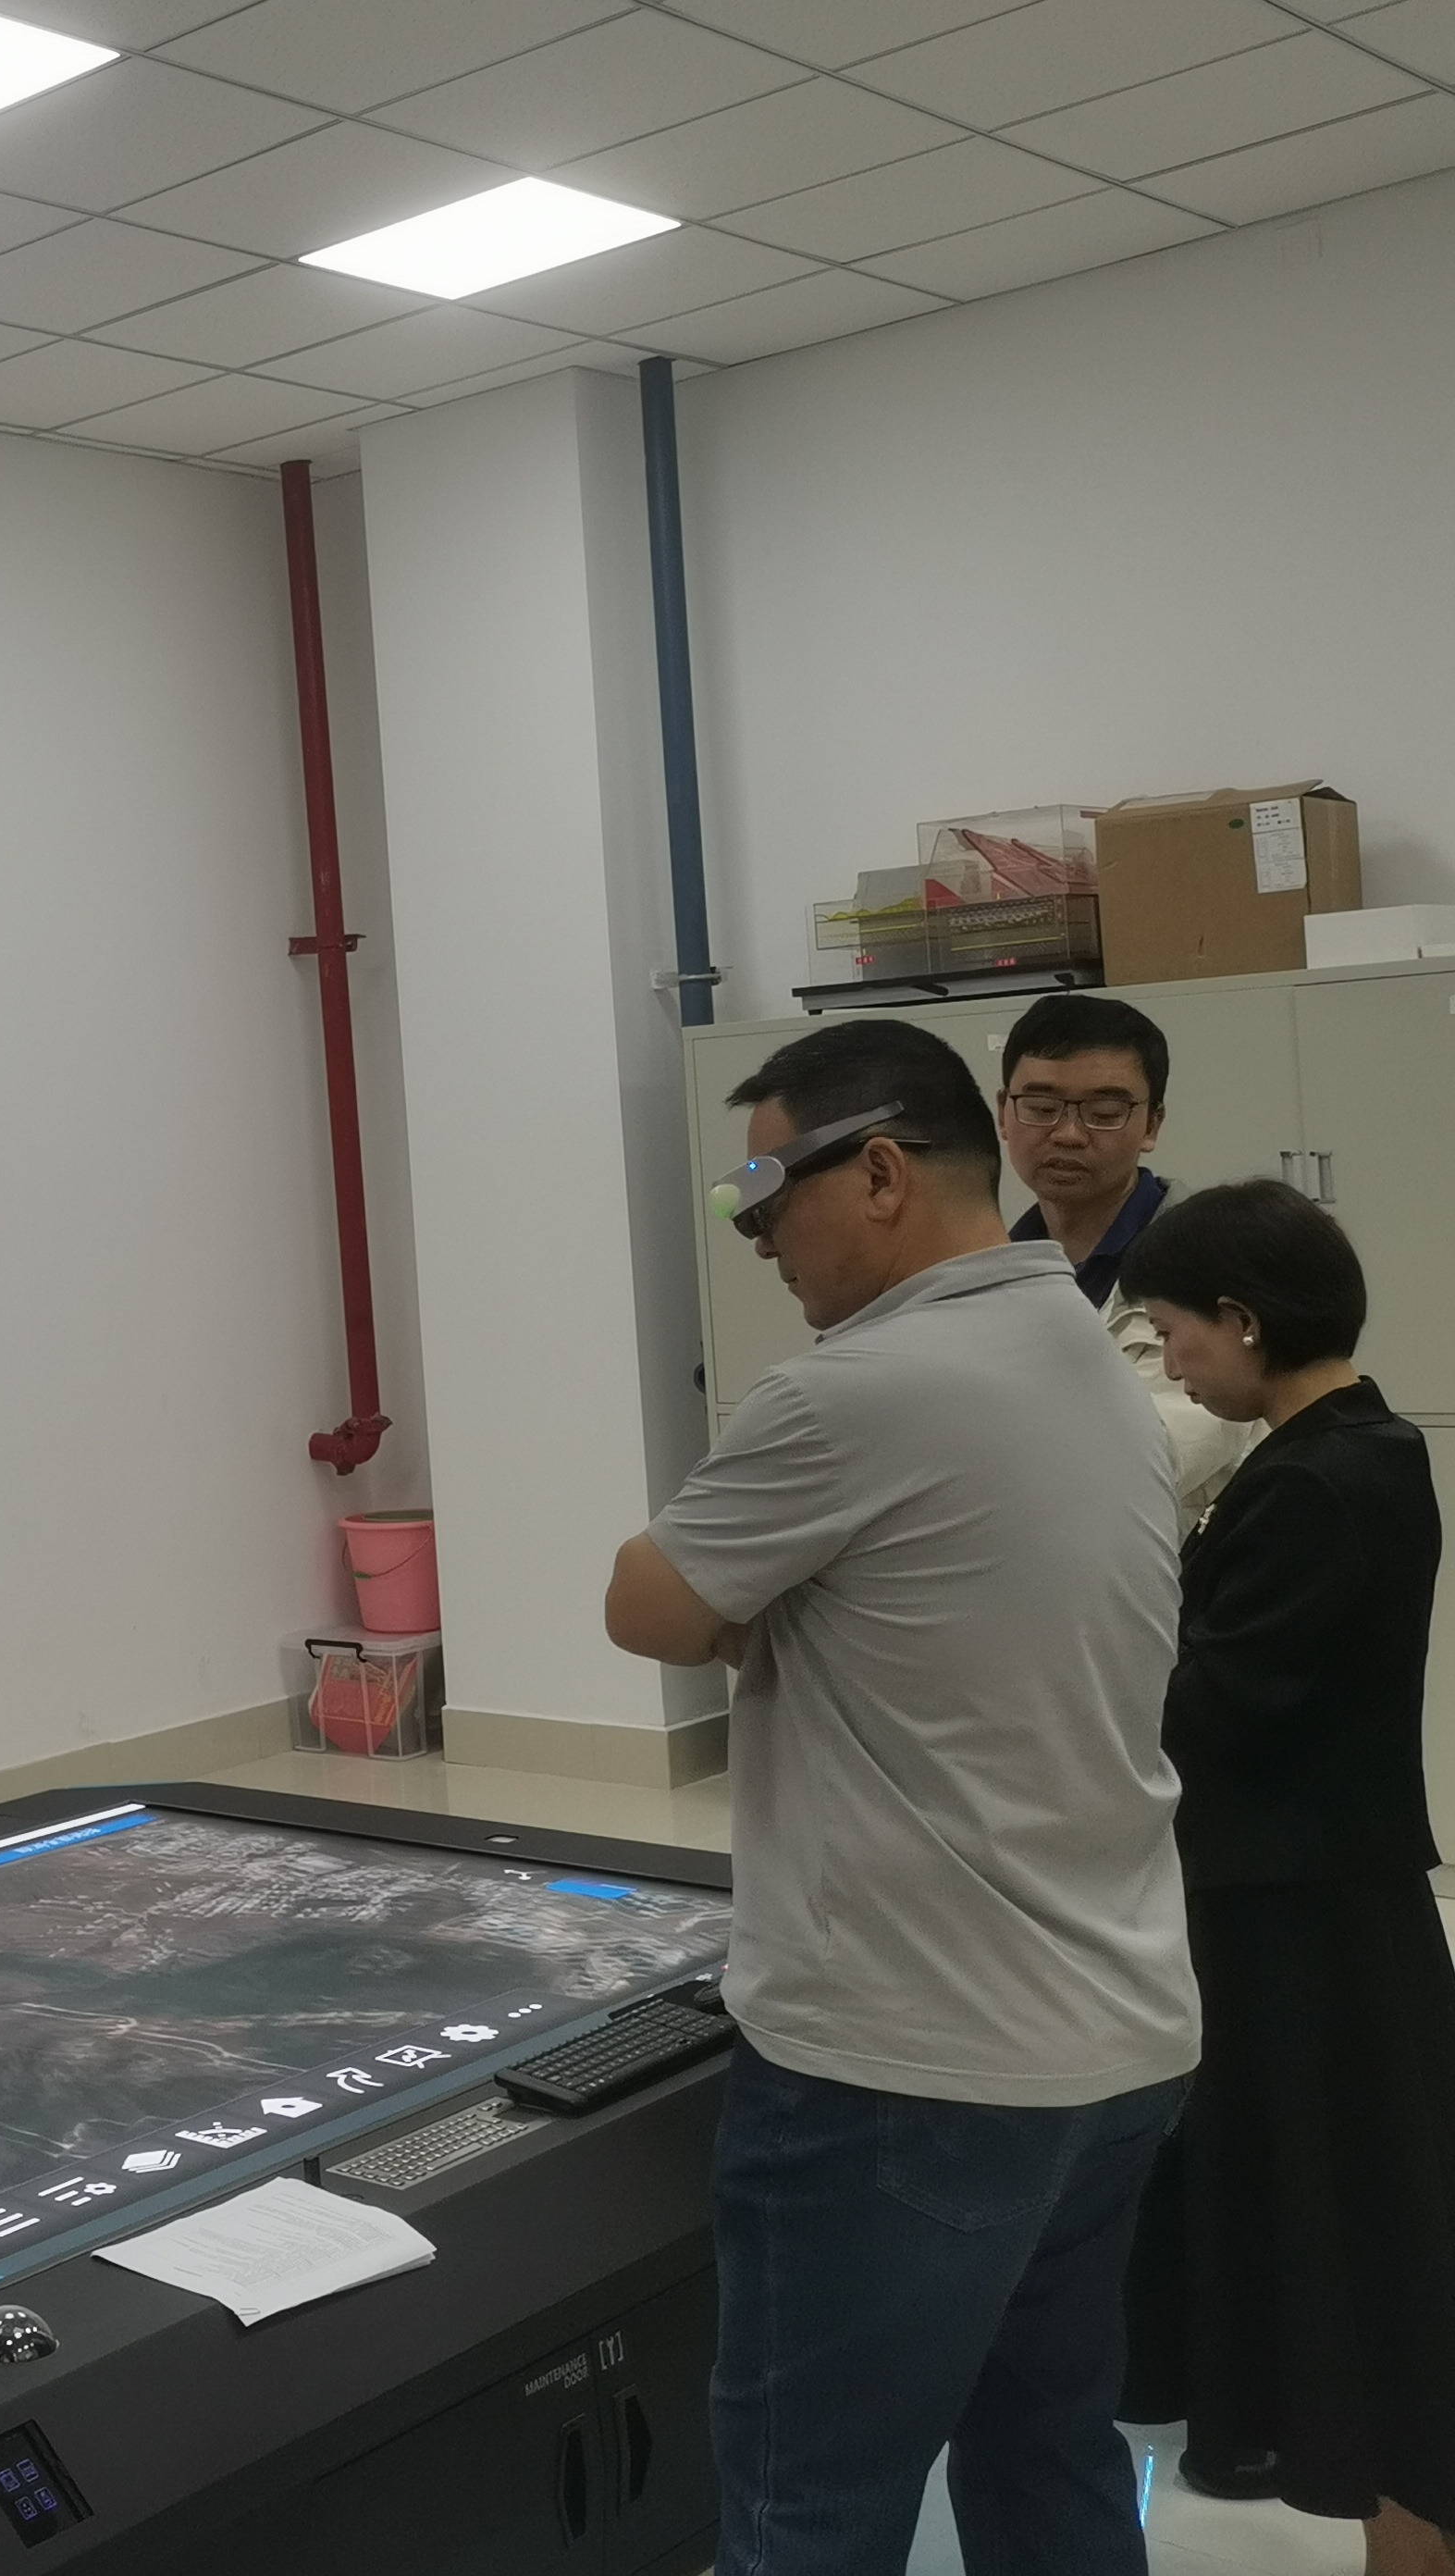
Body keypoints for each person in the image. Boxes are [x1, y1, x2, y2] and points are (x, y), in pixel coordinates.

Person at [605, 1018, 1198, 2576]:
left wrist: (770, 1607)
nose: (755, 1241)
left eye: (764, 1197)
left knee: (810, 2503)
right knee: (1049, 2458)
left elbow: (646, 1606)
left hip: (906, 2067)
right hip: (1113, 2033)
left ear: (876, 1174)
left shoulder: (852, 1391)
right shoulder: (1078, 1345)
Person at [1111, 1180, 1455, 2576]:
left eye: (1174, 1334)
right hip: (1305, 1891)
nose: (1172, 1364)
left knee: (1348, 2234)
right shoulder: (1346, 1450)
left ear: (1243, 1320)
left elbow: (1216, 1706)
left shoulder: (1321, 1478)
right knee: (1349, 2222)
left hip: (1300, 1918)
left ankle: (1401, 2524)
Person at [997, 993, 1259, 1530]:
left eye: (1105, 1114)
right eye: (1041, 1108)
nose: (1068, 1134)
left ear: (1152, 1126)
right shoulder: (999, 1267)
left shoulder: (1216, 1265)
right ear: (1004, 1112)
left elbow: (1147, 1461)